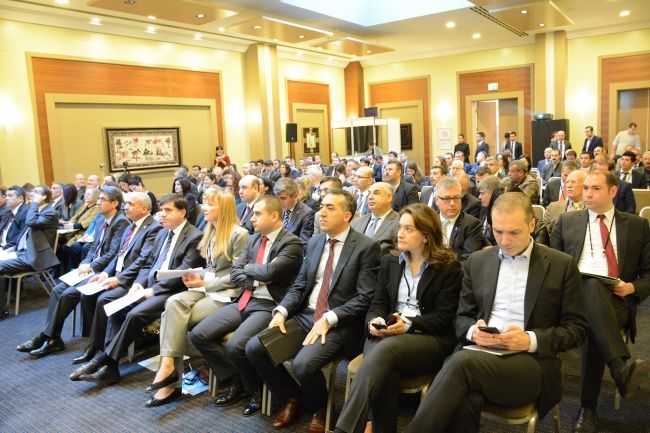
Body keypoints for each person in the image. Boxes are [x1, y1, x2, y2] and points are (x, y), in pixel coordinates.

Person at [404, 192, 588, 433]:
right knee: (464, 398)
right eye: (498, 231)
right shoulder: (478, 261)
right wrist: (474, 331)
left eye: (514, 232)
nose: (504, 240)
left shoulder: (561, 265)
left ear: (532, 225)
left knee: (459, 365)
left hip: (530, 364)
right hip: (479, 354)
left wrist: (529, 340)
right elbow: (461, 317)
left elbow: (577, 329)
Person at [246, 189, 380, 433]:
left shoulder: (366, 247)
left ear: (347, 215)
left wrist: (330, 318)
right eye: (322, 207)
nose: (322, 213)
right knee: (255, 349)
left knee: (303, 365)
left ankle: (320, 408)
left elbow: (365, 297)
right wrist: (282, 311)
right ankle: (293, 397)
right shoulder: (316, 242)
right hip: (306, 314)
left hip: (339, 321)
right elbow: (300, 285)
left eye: (330, 208)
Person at [334, 204, 462, 433]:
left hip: (428, 338)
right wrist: (374, 321)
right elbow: (378, 303)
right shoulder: (390, 261)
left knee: (384, 350)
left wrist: (409, 324)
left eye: (408, 229)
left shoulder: (448, 267)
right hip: (388, 334)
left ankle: (345, 429)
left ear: (426, 235)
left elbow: (444, 317)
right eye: (400, 227)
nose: (399, 233)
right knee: (386, 369)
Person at [550, 170, 650, 433]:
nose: (588, 194)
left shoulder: (637, 225)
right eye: (586, 189)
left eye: (595, 189)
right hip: (572, 299)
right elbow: (552, 268)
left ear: (613, 192)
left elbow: (649, 274)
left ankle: (587, 407)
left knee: (593, 321)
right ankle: (620, 370)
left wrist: (631, 287)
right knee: (591, 286)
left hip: (617, 299)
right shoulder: (566, 221)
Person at [70, 194, 204, 384]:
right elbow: (148, 263)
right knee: (115, 306)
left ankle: (105, 360)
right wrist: (139, 284)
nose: (162, 214)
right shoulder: (163, 233)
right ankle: (111, 366)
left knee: (135, 314)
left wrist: (153, 290)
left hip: (173, 291)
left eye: (168, 210)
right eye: (161, 210)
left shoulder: (195, 236)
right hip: (150, 286)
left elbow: (183, 273)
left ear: (182, 212)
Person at [189, 195, 304, 415]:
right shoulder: (253, 239)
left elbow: (270, 272)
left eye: (258, 214)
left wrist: (250, 269)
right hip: (245, 299)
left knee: (236, 346)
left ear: (274, 215)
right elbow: (235, 273)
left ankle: (257, 391)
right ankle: (238, 378)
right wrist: (257, 276)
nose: (252, 218)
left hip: (268, 305)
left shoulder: (292, 243)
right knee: (198, 335)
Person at [146, 187, 249, 407]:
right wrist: (198, 277)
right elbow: (213, 268)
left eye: (210, 204)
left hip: (228, 295)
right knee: (173, 302)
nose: (204, 207)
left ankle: (169, 378)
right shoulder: (210, 230)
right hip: (208, 289)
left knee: (171, 317)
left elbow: (238, 275)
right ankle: (168, 368)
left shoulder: (239, 234)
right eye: (204, 202)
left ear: (224, 208)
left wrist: (206, 282)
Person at [16, 186, 129, 357]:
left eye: (102, 199)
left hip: (104, 272)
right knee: (57, 290)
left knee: (68, 294)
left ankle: (47, 336)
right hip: (90, 268)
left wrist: (91, 266)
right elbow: (93, 248)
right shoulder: (101, 220)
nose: (98, 202)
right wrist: (84, 263)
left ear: (115, 203)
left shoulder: (121, 222)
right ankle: (53, 337)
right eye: (98, 199)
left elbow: (113, 254)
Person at [0, 186, 58, 320]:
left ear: (44, 197)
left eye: (36, 192)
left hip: (34, 257)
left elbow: (31, 222)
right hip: (22, 253)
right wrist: (12, 248)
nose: (31, 194)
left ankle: (1, 311)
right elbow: (24, 235)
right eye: (32, 191)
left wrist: (35, 203)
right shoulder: (36, 210)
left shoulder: (50, 212)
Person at [434, 177, 484, 262]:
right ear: (436, 200)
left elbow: (468, 261)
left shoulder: (472, 225)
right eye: (447, 198)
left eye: (456, 198)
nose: (452, 203)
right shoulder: (428, 221)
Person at [351, 182, 399, 256]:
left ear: (389, 197)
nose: (370, 197)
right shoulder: (358, 221)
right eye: (369, 193)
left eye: (376, 193)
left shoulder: (399, 222)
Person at [542, 169, 585, 236]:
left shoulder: (594, 208)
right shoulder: (552, 207)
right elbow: (544, 235)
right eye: (567, 182)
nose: (569, 185)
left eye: (573, 182)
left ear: (585, 185)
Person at [273, 177, 314, 243]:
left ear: (295, 196)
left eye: (283, 198)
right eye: (277, 198)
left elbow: (303, 243)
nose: (279, 202)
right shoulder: (276, 208)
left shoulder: (307, 214)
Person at [477, 176, 503, 246]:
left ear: (494, 193)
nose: (479, 197)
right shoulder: (483, 208)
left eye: (482, 193)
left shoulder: (502, 215)